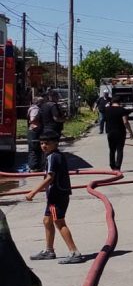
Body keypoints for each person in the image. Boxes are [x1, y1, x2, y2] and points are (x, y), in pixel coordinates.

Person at [25, 131, 83, 264]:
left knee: (59, 222)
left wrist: (33, 192)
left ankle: (74, 252)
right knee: (47, 220)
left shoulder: (53, 157)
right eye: (41, 143)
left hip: (57, 196)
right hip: (54, 196)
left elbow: (50, 177)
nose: (44, 146)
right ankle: (49, 250)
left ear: (56, 143)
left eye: (47, 143)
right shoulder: (54, 155)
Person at [101, 94, 133, 170]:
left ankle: (112, 166)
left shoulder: (106, 110)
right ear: (120, 102)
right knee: (119, 150)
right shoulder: (122, 110)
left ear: (112, 101)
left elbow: (104, 118)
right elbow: (125, 122)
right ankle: (118, 167)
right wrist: (130, 132)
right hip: (120, 132)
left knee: (112, 149)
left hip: (110, 132)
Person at [25, 93, 45, 172]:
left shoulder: (34, 108)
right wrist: (38, 123)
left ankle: (35, 166)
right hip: (34, 131)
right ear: (38, 102)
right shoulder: (35, 109)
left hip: (34, 131)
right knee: (35, 149)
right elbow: (33, 119)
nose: (43, 103)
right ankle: (34, 167)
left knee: (35, 149)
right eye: (42, 102)